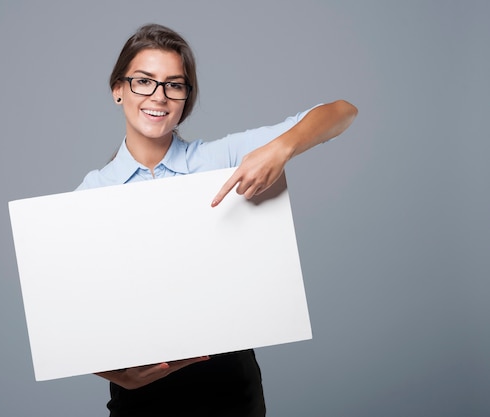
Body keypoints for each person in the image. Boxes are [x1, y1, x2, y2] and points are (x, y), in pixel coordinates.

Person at [75, 23, 357, 417]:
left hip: (229, 386)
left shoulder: (221, 160)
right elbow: (70, 317)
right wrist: (113, 374)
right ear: (118, 89)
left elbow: (342, 113)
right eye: (144, 81)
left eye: (175, 85)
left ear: (186, 98)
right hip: (142, 396)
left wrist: (280, 149)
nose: (159, 96)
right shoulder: (92, 194)